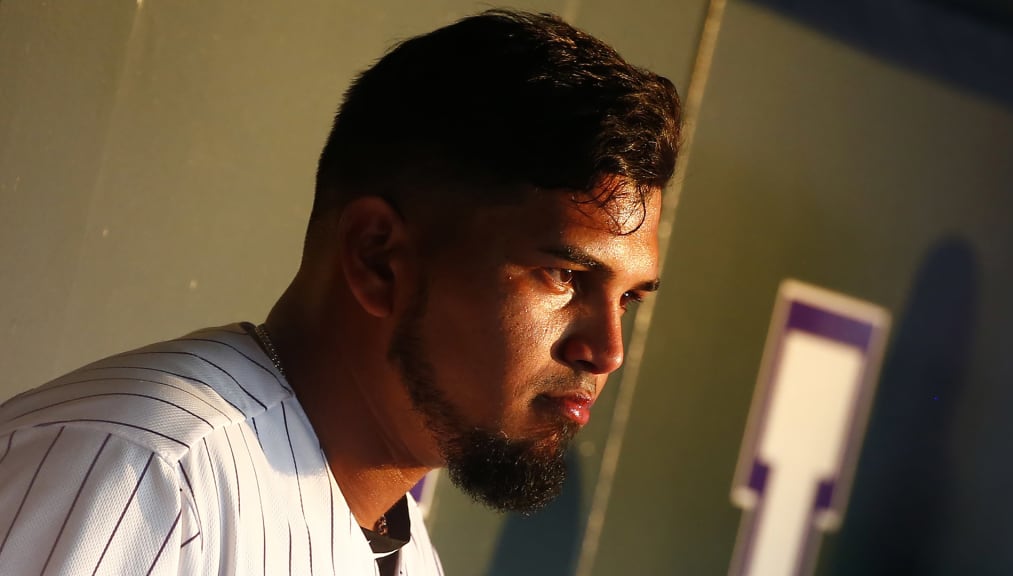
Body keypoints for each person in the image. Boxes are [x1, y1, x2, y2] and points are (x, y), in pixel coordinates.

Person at [0, 8, 680, 575]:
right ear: (377, 257)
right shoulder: (146, 478)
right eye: (565, 277)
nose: (607, 350)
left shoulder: (405, 552)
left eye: (629, 298)